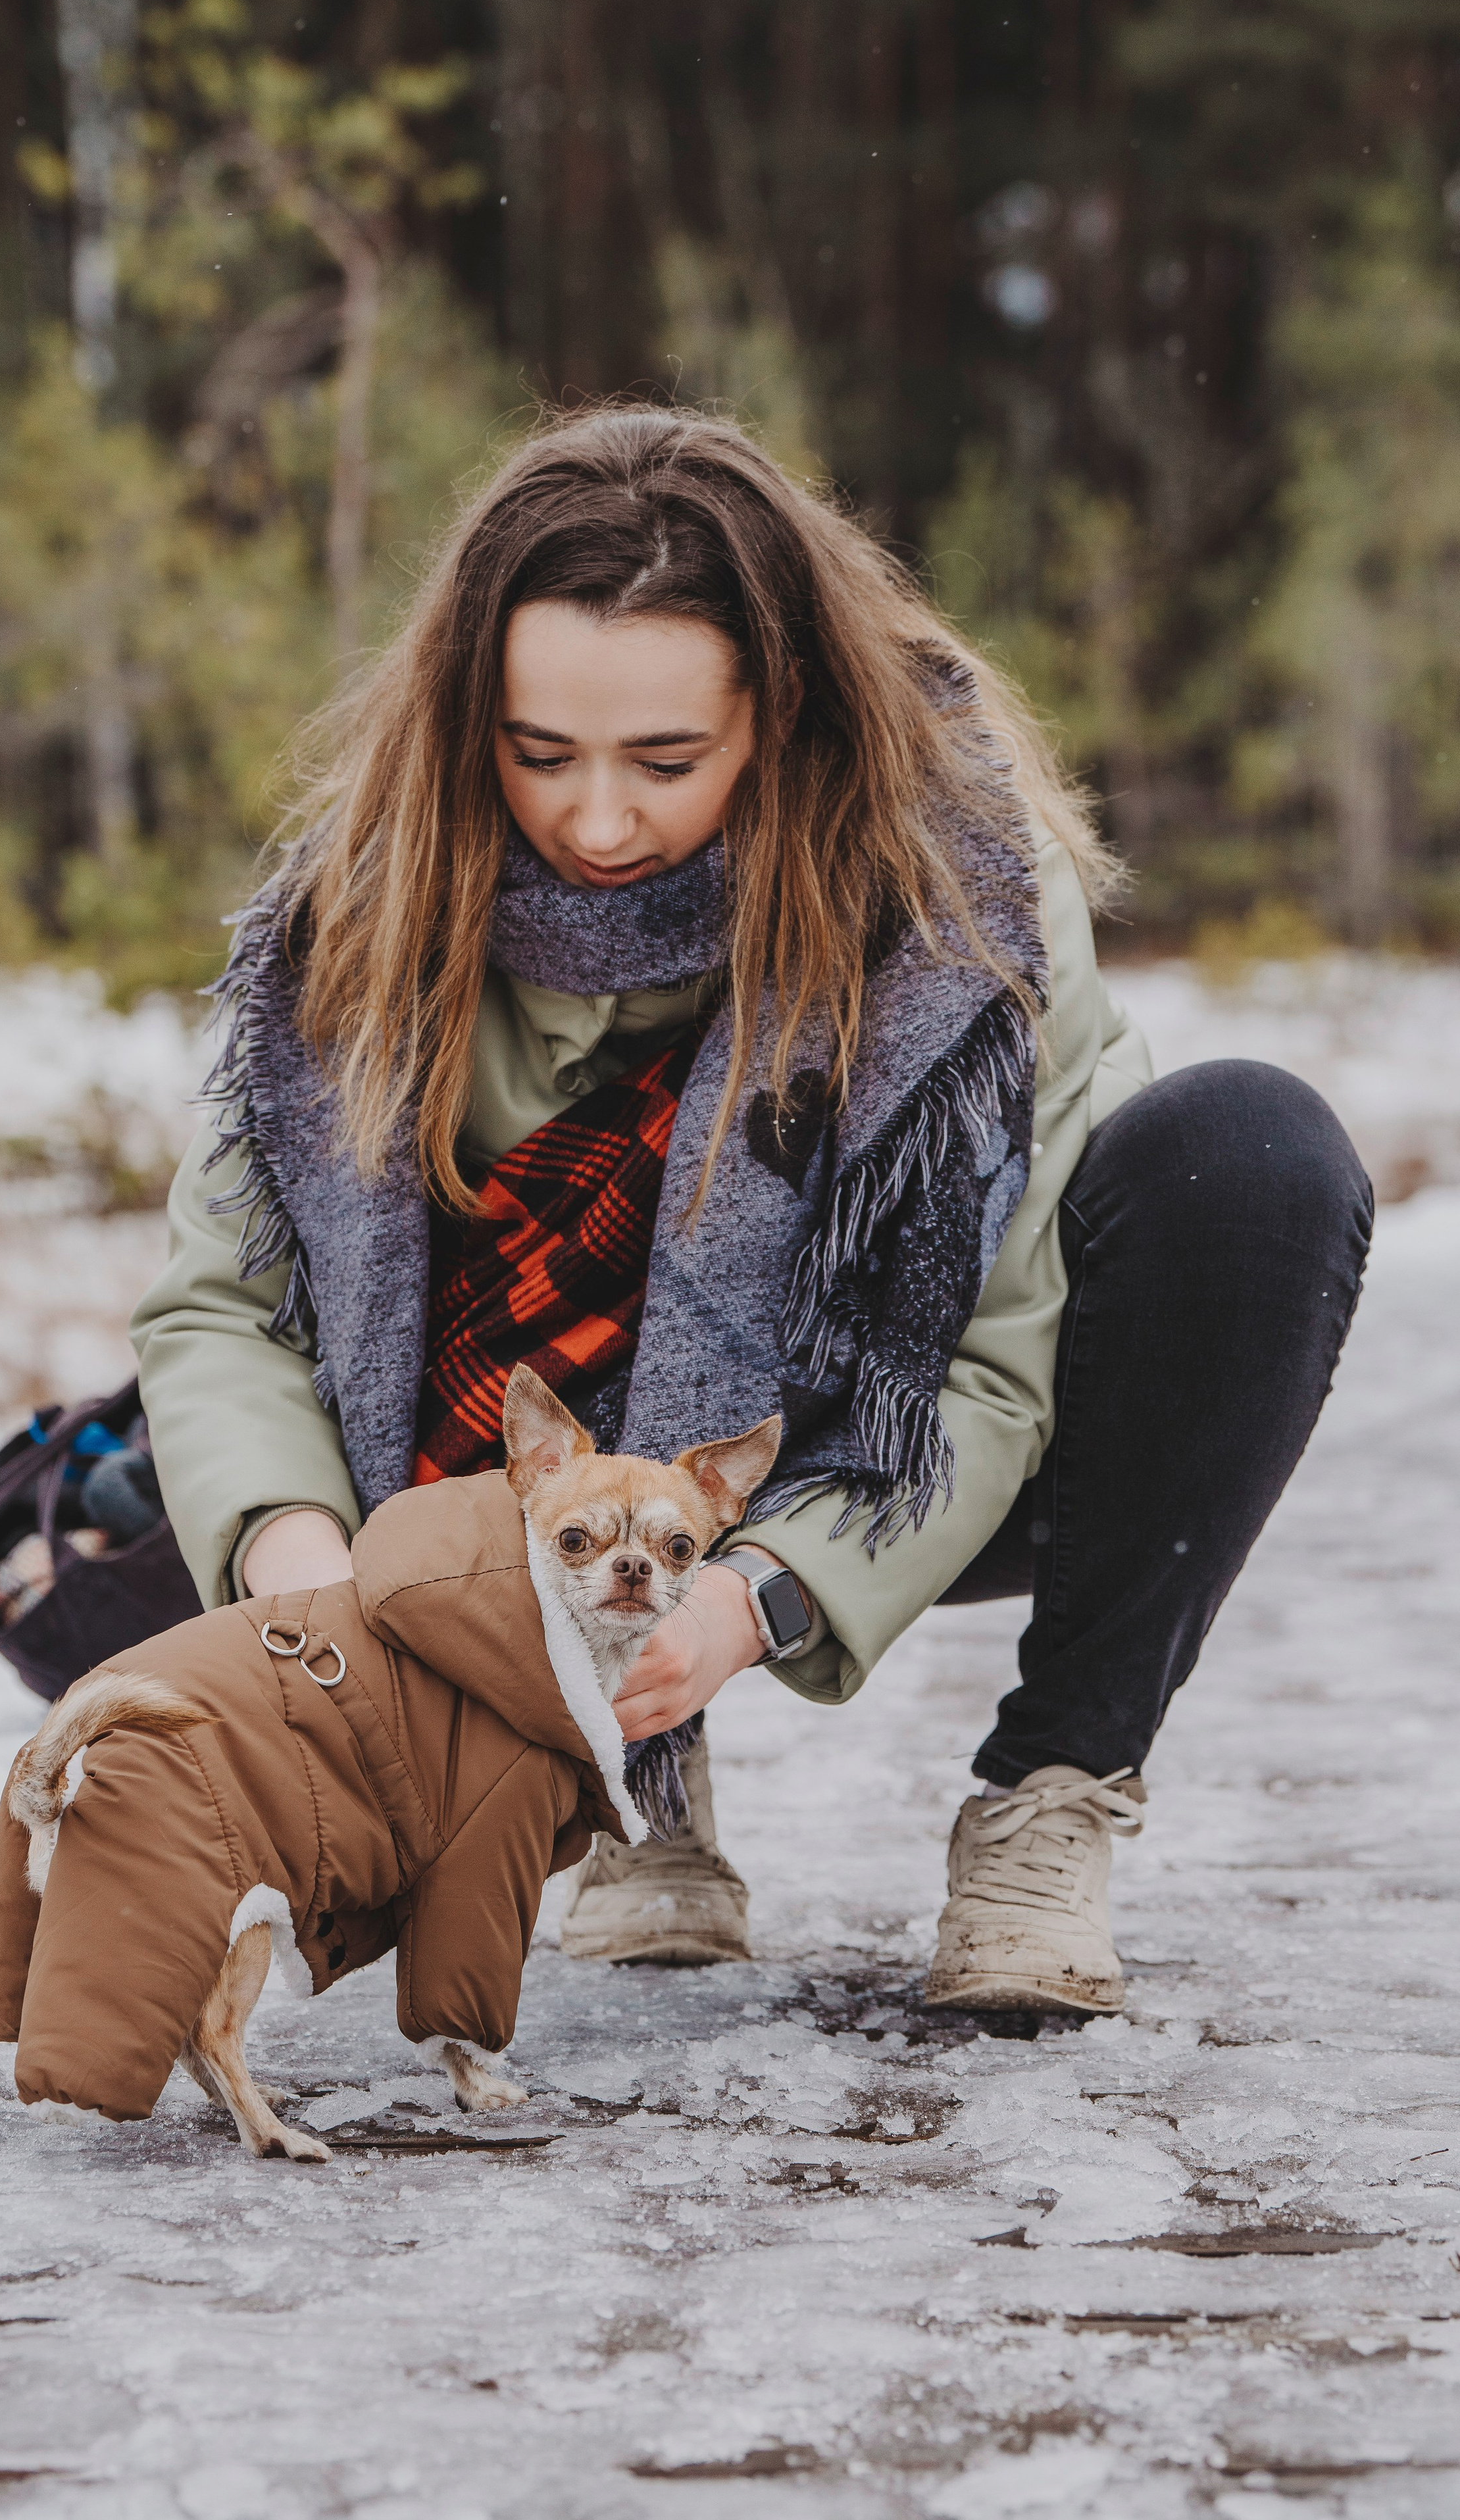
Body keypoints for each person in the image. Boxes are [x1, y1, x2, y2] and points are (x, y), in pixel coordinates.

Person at [131, 407, 1371, 2014]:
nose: (589, 821)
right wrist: (295, 1566)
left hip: (901, 1444)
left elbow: (1000, 1359)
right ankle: (625, 1787)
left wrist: (750, 1595)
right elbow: (223, 1303)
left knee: (1250, 1159)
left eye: (663, 761)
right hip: (512, 1482)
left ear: (780, 719)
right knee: (548, 1213)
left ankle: (1051, 1795)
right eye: (535, 753)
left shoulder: (959, 900)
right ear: (464, 724)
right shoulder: (357, 904)